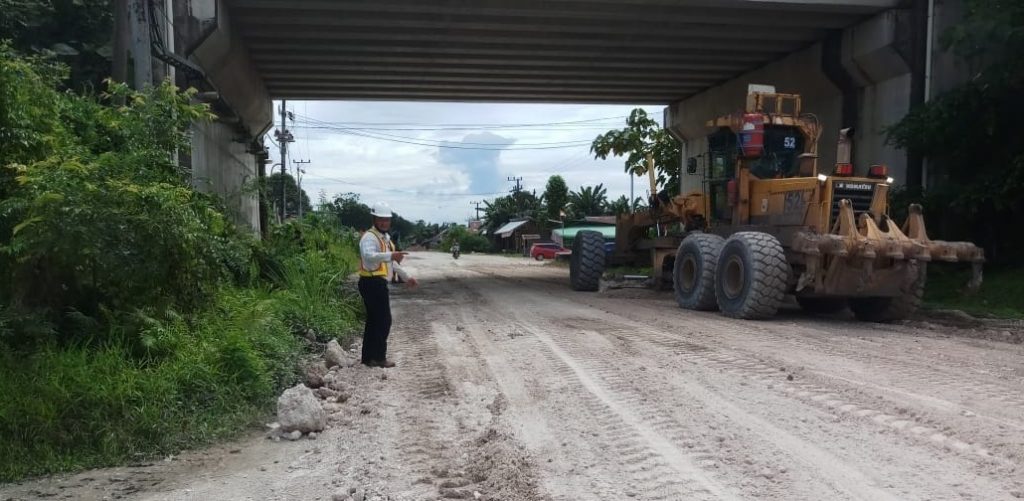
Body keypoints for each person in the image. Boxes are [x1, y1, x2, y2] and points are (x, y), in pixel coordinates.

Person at [357, 202, 417, 368]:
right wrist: (391, 254)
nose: (384, 222)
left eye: (387, 220)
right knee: (384, 320)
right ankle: (378, 357)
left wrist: (406, 277)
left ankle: (368, 358)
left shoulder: (386, 238)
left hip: (377, 282)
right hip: (371, 282)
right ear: (374, 219)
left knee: (374, 321)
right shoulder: (370, 237)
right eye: (381, 219)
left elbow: (392, 262)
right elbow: (369, 256)